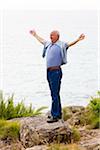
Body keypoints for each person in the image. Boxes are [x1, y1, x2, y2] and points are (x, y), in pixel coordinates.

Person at [30, 30, 85, 123]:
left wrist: (78, 39)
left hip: (56, 71)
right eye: (50, 35)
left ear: (57, 36)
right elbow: (42, 40)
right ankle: (57, 113)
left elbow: (70, 44)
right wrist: (35, 35)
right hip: (49, 72)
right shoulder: (48, 44)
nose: (50, 36)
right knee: (53, 93)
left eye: (52, 35)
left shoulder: (61, 45)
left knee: (55, 94)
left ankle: (55, 116)